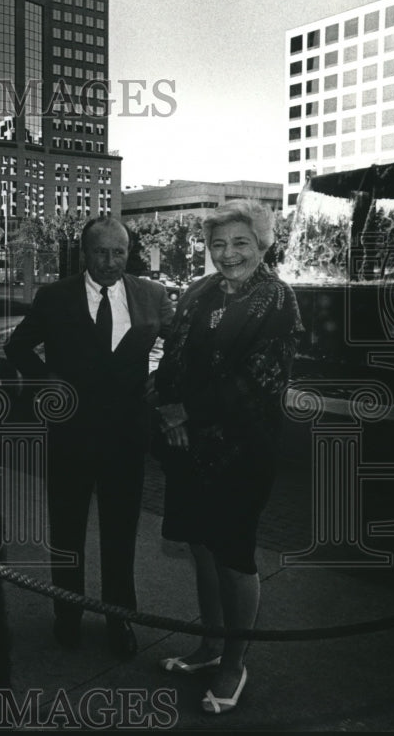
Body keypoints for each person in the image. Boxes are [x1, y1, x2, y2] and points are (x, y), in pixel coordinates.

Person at [149, 199, 303, 714]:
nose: (228, 253)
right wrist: (167, 404)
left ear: (262, 243)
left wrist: (181, 411)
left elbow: (254, 384)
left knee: (234, 556)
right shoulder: (199, 291)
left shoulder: (277, 298)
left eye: (240, 242)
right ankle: (209, 646)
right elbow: (172, 352)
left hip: (242, 449)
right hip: (189, 446)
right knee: (200, 546)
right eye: (218, 244)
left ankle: (234, 663)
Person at [4, 217, 174, 659]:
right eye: (101, 252)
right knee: (67, 531)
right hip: (70, 435)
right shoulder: (55, 297)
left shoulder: (152, 295)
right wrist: (49, 384)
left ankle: (121, 619)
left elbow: (181, 347)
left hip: (126, 438)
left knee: (121, 533)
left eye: (120, 252)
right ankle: (68, 615)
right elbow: (17, 347)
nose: (111, 261)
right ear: (85, 253)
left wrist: (165, 384)